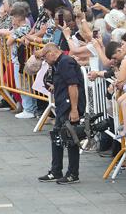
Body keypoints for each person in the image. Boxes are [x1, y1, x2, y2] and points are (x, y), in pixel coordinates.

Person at [38, 43, 86, 185]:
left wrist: (74, 109)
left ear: (52, 53)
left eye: (45, 57)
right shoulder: (59, 63)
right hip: (63, 104)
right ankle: (56, 170)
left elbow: (73, 85)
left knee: (70, 138)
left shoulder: (65, 62)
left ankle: (72, 173)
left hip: (69, 106)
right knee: (57, 137)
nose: (45, 61)